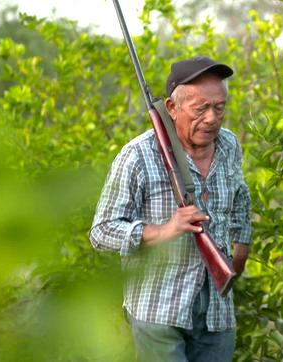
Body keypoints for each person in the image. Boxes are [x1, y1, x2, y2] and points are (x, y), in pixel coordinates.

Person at [89, 56, 251, 362]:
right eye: (200, 108)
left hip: (217, 311)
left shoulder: (229, 145)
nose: (212, 118)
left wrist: (240, 251)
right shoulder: (137, 155)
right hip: (158, 308)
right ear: (172, 108)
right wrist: (164, 230)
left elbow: (241, 198)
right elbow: (101, 232)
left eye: (219, 107)